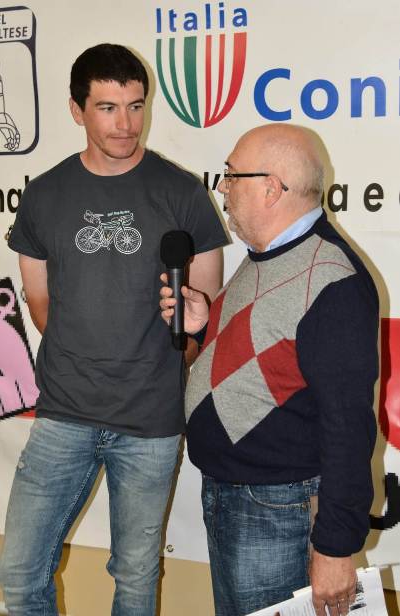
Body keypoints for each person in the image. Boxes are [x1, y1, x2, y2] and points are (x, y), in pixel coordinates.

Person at [0, 43, 228, 616]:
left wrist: (172, 352)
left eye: (135, 105)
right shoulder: (44, 194)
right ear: (77, 110)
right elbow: (41, 305)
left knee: (135, 577)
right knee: (20, 575)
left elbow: (207, 315)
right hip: (63, 414)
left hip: (150, 422)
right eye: (107, 107)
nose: (125, 124)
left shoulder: (183, 193)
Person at [160, 124, 379, 616]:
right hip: (241, 500)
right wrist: (204, 326)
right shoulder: (268, 256)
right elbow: (270, 362)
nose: (222, 186)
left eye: (231, 174)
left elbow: (348, 425)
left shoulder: (331, 280)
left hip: (276, 511)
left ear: (271, 188)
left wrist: (335, 548)